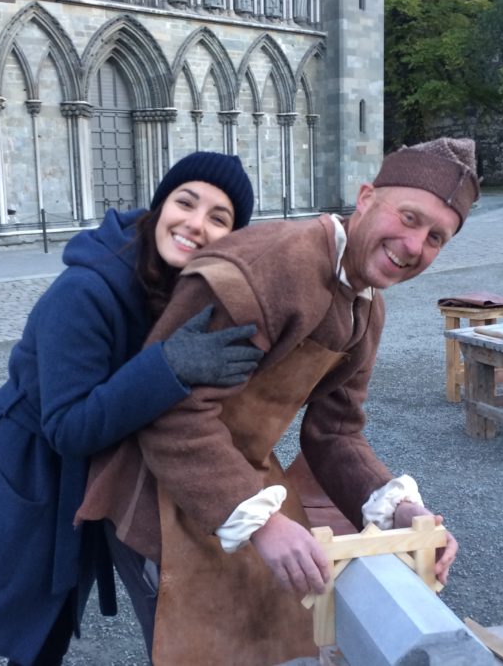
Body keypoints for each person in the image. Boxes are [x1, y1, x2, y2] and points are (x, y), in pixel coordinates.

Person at [0, 151, 263, 666]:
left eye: (219, 217)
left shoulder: (184, 290)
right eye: (185, 202)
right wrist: (169, 366)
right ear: (160, 205)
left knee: (39, 639)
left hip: (80, 493)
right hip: (8, 470)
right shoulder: (86, 289)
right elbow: (68, 426)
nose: (196, 223)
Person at [78, 138, 479, 664]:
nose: (413, 245)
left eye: (435, 237)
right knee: (202, 649)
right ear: (365, 199)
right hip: (156, 484)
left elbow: (336, 432)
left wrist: (401, 511)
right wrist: (264, 525)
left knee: (287, 626)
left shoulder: (366, 308)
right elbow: (171, 412)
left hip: (245, 475)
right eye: (408, 218)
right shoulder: (270, 268)